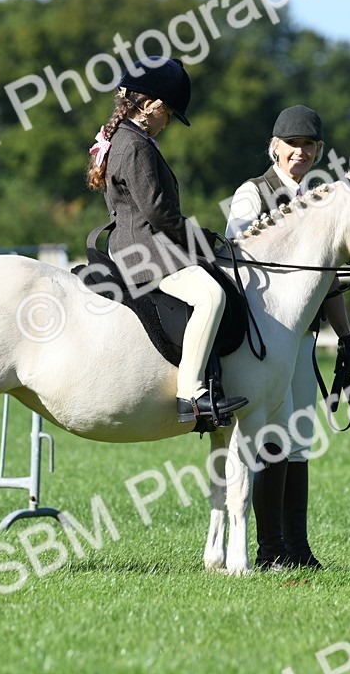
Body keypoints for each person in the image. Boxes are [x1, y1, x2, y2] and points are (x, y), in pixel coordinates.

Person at [224, 105, 350, 570]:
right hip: (263, 341)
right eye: (293, 144)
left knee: (297, 439)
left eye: (310, 146)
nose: (301, 152)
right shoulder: (252, 193)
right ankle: (269, 550)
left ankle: (296, 549)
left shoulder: (322, 201)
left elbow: (330, 279)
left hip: (302, 339)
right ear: (275, 147)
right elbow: (238, 260)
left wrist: (345, 336)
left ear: (318, 151)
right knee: (271, 439)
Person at [87, 57, 248, 425]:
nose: (169, 122)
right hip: (143, 250)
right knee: (211, 295)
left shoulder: (125, 138)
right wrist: (201, 241)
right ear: (151, 106)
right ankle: (191, 393)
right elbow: (159, 213)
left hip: (138, 242)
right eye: (169, 114)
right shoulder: (135, 145)